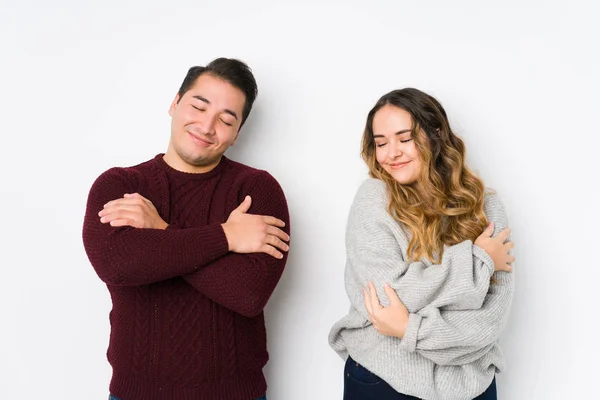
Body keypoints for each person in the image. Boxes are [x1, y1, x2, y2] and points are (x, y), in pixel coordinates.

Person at [82, 58, 290, 400]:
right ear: (174, 104)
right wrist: (227, 236)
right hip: (137, 394)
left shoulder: (256, 190)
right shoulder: (121, 185)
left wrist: (160, 230)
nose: (207, 127)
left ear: (237, 134)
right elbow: (118, 265)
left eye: (226, 119)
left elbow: (247, 294)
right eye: (198, 106)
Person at [329, 88, 515, 400]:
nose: (392, 153)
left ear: (436, 135)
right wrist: (479, 259)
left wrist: (409, 328)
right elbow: (390, 297)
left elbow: (491, 317)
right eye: (381, 143)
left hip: (471, 383)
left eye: (405, 138)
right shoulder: (373, 200)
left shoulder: (485, 205)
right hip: (384, 378)